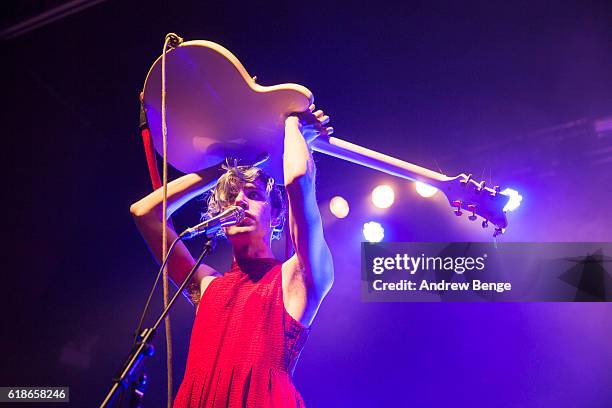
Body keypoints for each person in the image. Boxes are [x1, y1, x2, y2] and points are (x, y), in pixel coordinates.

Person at [129, 105, 334, 407]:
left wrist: (293, 124)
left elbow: (298, 181)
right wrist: (221, 170)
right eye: (232, 196)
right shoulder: (209, 285)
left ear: (276, 216)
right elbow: (144, 213)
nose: (239, 200)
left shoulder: (295, 279)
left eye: (253, 194)